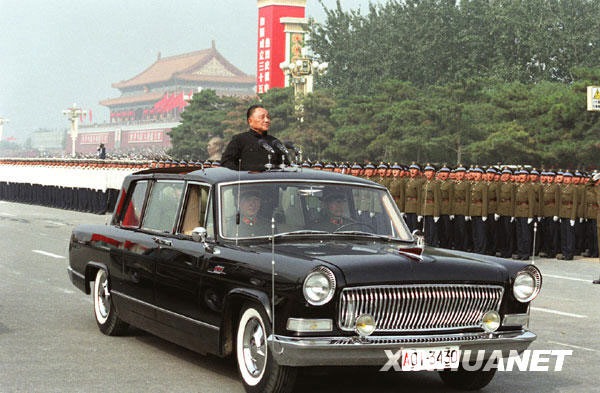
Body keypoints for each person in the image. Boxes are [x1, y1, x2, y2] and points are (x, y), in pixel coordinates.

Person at [221, 105, 286, 171]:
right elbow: (226, 163)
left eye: (268, 117)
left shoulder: (274, 142)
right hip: (248, 179)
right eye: (262, 117)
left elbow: (285, 165)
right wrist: (248, 171)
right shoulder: (239, 140)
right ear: (250, 121)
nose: (267, 120)